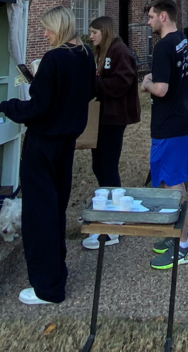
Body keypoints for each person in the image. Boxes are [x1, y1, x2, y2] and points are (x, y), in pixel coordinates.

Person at [0, 6, 94, 306]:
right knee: (55, 210)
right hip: (67, 144)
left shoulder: (54, 59)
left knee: (39, 216)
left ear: (59, 27)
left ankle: (47, 288)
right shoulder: (84, 55)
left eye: (47, 28)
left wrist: (1, 106)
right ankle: (56, 274)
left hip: (42, 145)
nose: (44, 33)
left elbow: (36, 109)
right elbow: (83, 93)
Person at [140, 0, 188, 269]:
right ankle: (176, 235)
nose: (148, 21)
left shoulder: (164, 46)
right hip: (184, 119)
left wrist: (146, 83)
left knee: (170, 184)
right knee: (177, 181)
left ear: (163, 16)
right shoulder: (181, 39)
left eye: (151, 16)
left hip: (170, 126)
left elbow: (161, 89)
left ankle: (183, 245)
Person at [82, 15, 141, 250]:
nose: (91, 36)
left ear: (104, 32)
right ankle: (107, 207)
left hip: (114, 118)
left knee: (107, 165)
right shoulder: (101, 53)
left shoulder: (119, 51)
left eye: (94, 32)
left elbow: (123, 82)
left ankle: (115, 220)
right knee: (98, 165)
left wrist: (96, 85)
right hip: (102, 117)